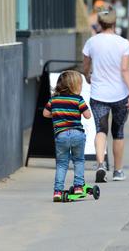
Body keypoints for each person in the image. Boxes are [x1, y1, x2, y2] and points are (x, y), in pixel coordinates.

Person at [83, 5, 129, 182]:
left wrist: (87, 75)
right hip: (120, 93)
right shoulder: (123, 43)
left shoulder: (92, 42)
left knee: (101, 129)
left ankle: (100, 164)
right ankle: (118, 171)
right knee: (118, 131)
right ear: (115, 22)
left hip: (98, 93)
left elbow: (85, 65)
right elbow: (125, 69)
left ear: (99, 22)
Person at [43, 71, 92, 202]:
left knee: (62, 164)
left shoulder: (54, 99)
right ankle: (78, 187)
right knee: (79, 161)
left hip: (61, 135)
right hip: (77, 134)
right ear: (74, 86)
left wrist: (58, 114)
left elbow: (45, 114)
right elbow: (88, 115)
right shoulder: (78, 99)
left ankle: (58, 191)